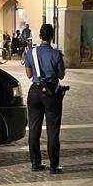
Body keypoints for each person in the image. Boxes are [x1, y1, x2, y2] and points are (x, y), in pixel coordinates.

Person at [24, 23, 66, 174]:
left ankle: (35, 162)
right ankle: (54, 165)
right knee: (52, 130)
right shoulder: (56, 54)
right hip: (50, 93)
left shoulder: (31, 53)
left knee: (34, 128)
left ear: (40, 36)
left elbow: (29, 75)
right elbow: (61, 75)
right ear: (52, 36)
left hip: (34, 91)